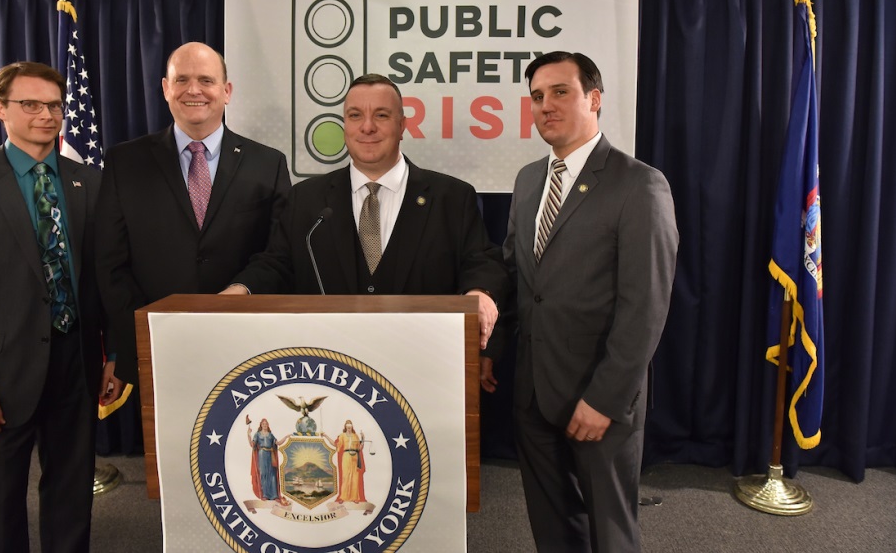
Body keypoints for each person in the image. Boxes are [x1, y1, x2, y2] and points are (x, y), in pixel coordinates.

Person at [481, 51, 679, 552]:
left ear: (594, 98)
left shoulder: (640, 185)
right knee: (554, 529)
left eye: (560, 92)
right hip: (533, 392)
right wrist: (492, 349)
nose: (545, 105)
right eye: (536, 97)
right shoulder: (528, 180)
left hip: (600, 398)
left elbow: (646, 308)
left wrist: (605, 399)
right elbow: (515, 277)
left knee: (610, 533)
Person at [0, 61, 126, 552]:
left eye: (54, 105)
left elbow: (107, 280)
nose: (46, 115)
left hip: (76, 367)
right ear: (0, 108)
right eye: (30, 104)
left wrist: (115, 354)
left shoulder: (90, 183)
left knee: (71, 499)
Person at [225, 74, 507, 338]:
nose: (367, 126)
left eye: (381, 115)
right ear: (345, 125)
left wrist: (480, 292)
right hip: (330, 366)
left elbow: (479, 261)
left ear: (402, 126)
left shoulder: (452, 197)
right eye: (355, 115)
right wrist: (241, 290)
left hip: (424, 360)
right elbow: (277, 265)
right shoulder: (307, 199)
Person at [95, 42, 291, 380]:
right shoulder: (124, 162)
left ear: (226, 92)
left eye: (206, 80)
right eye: (181, 79)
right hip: (151, 350)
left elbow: (280, 252)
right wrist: (148, 327)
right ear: (166, 89)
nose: (194, 90)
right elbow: (110, 262)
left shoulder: (268, 164)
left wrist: (241, 290)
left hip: (245, 347)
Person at [322, 420, 366, 503]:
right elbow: (335, 444)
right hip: (346, 456)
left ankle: (355, 497)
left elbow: (359, 448)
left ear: (352, 427)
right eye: (348, 427)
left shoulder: (355, 436)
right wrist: (326, 436)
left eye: (350, 427)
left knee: (355, 477)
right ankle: (343, 497)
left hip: (355, 457)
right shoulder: (342, 436)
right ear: (345, 427)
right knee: (345, 476)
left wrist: (363, 439)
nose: (349, 429)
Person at [248, 418, 288, 503]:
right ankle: (265, 495)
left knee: (272, 474)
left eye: (266, 424)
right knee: (263, 473)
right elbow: (252, 444)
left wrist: (286, 437)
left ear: (268, 425)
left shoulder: (270, 435)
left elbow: (278, 443)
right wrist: (248, 434)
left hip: (270, 455)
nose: (265, 425)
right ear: (261, 425)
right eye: (263, 424)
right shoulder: (257, 434)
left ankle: (274, 495)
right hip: (262, 454)